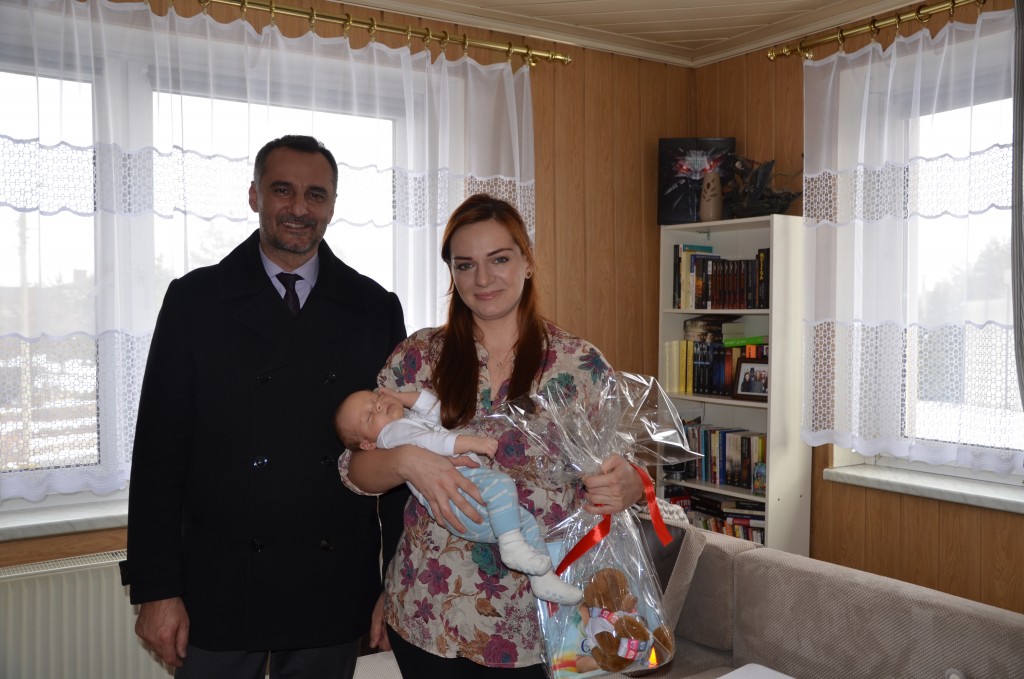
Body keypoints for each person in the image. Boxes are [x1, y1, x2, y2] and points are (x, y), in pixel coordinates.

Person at [121, 135, 409, 679]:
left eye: (316, 194)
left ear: (332, 205)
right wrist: (157, 589)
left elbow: (399, 458)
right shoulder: (194, 301)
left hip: (332, 583)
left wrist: (397, 584)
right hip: (219, 585)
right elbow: (158, 455)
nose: (299, 207)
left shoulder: (374, 307)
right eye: (282, 190)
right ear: (254, 195)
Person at [339, 194, 645, 677]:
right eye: (465, 265)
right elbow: (356, 469)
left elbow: (626, 470)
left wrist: (630, 484)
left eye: (499, 259)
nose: (482, 279)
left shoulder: (579, 364)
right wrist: (405, 461)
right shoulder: (419, 356)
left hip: (540, 623)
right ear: (452, 274)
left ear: (528, 262)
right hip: (428, 611)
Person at [335, 387, 584, 604]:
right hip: (457, 496)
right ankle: (511, 548)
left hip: (462, 496)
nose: (379, 405)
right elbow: (432, 441)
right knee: (501, 485)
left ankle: (543, 578)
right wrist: (472, 443)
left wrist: (400, 397)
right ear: (368, 444)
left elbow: (434, 408)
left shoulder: (407, 422)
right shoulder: (392, 434)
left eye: (376, 398)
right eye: (370, 415)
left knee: (524, 522)